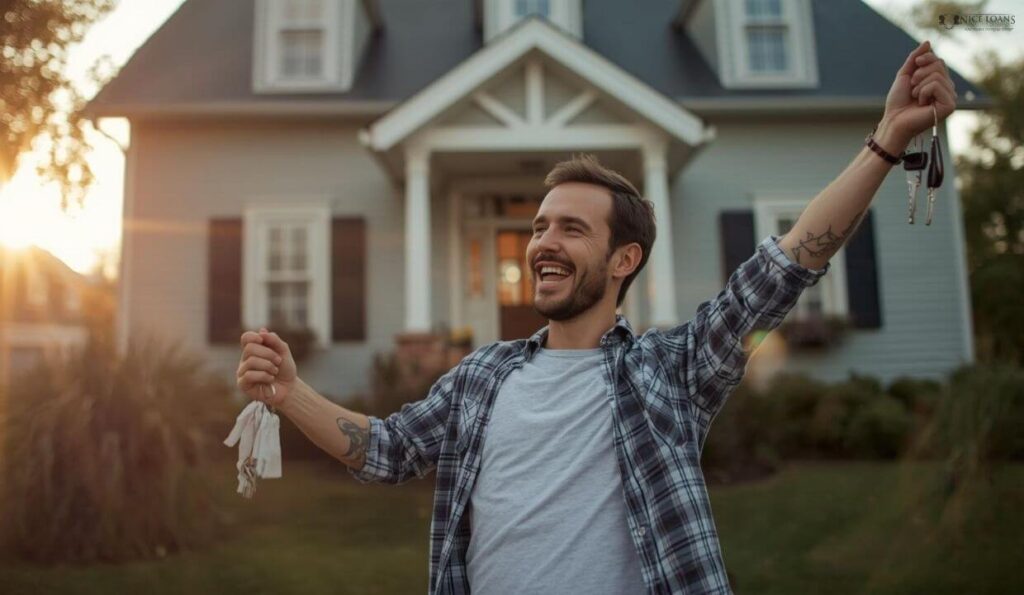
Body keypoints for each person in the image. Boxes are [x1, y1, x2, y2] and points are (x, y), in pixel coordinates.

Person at [236, 40, 956, 595]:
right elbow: (390, 450)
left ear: (623, 260)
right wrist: (290, 393)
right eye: (540, 226)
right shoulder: (483, 376)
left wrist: (887, 141)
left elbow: (786, 264)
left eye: (571, 229)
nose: (543, 242)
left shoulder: (669, 372)